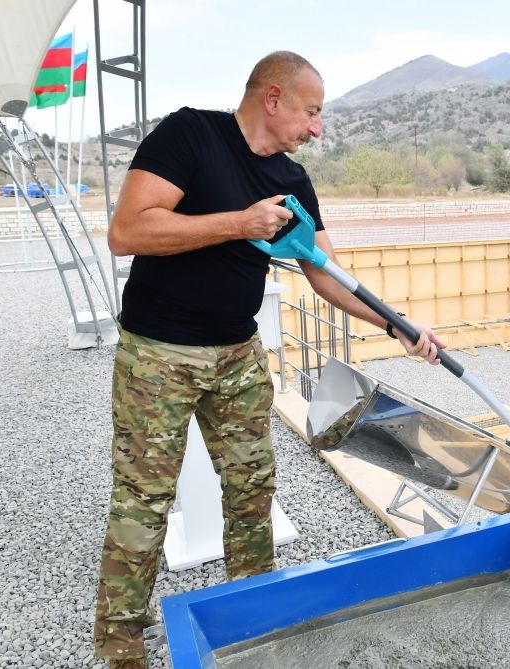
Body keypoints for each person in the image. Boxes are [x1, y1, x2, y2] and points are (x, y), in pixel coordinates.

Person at [93, 51, 445, 668]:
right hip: (159, 356)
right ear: (273, 98)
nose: (317, 128)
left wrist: (398, 325)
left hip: (237, 356)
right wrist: (239, 223)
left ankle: (251, 615)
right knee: (144, 497)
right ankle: (121, 636)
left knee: (252, 490)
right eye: (311, 112)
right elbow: (128, 231)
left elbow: (324, 272)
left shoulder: (294, 182)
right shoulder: (190, 134)